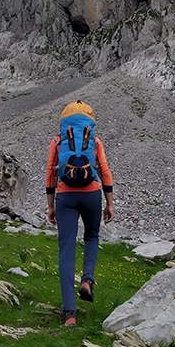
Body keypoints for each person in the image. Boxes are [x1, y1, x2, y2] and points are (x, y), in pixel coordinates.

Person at [46, 100, 114, 327]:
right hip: (92, 194)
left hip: (65, 197)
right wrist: (109, 203)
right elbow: (104, 170)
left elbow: (50, 175)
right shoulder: (94, 141)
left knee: (66, 250)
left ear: (64, 120)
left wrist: (51, 206)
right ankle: (87, 279)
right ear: (89, 120)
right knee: (92, 236)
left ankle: (69, 314)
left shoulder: (58, 141)